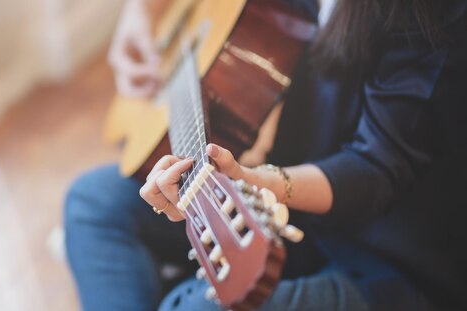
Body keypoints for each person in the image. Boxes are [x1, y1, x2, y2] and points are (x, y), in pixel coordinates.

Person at [64, 0, 467, 310]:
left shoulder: (434, 13)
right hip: (298, 200)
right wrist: (140, 14)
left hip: (388, 257)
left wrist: (256, 181)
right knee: (92, 202)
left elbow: (375, 168)